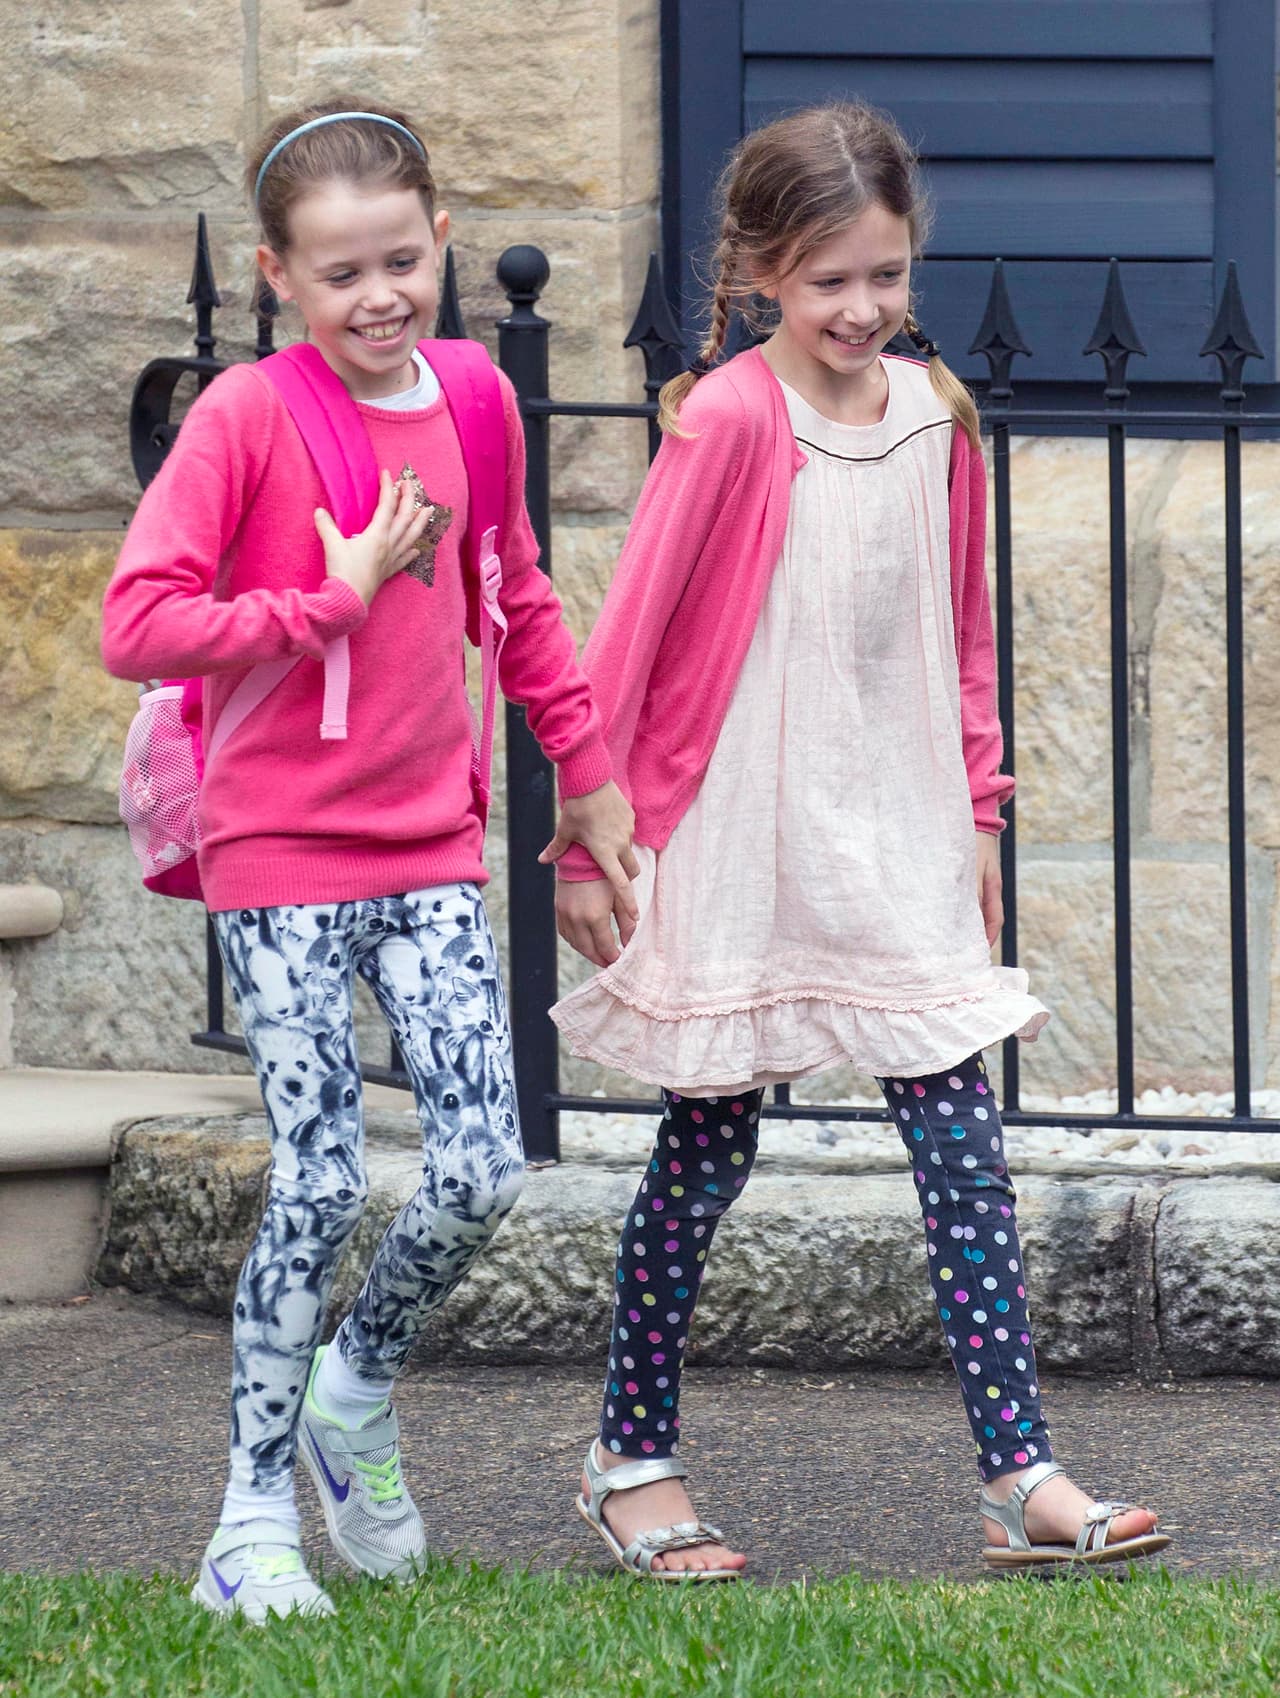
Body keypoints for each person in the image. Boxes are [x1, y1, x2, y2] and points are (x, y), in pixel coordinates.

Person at [549, 102, 1169, 1580]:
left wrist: (977, 806)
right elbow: (628, 639)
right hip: (743, 824)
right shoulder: (725, 420)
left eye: (884, 274)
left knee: (961, 1143)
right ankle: (629, 1454)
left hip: (890, 826)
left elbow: (960, 629)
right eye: (828, 279)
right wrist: (591, 836)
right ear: (761, 270)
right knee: (707, 1148)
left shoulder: (935, 414)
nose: (862, 307)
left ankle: (1018, 1474)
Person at [102, 100, 636, 1621]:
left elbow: (515, 595)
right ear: (278, 275)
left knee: (479, 1162)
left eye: (400, 259)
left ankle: (356, 1383)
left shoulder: (474, 399)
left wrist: (587, 781)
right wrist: (321, 599)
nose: (378, 295)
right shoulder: (246, 419)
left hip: (427, 849)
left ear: (443, 241)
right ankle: (248, 1514)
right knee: (321, 1176)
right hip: (275, 852)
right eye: (340, 274)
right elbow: (136, 622)